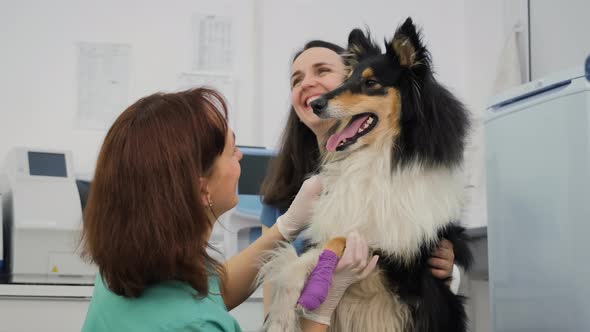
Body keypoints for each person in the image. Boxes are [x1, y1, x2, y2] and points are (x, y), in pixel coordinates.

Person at [80, 87, 376, 332]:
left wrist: (286, 226)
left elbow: (215, 289)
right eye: (230, 150)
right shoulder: (196, 327)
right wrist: (321, 312)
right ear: (201, 188)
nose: (241, 155)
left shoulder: (119, 273)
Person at [259, 40, 460, 311]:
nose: (306, 83)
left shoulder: (411, 174)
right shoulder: (279, 189)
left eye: (321, 71)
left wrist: (448, 269)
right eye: (296, 79)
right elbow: (271, 295)